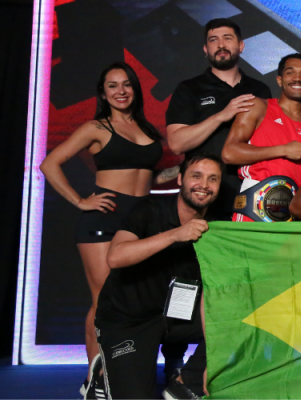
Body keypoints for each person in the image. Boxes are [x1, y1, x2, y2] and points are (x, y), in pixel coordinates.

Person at [40, 62, 172, 395]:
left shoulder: (145, 127)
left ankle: (123, 370)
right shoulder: (96, 127)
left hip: (141, 222)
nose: (121, 91)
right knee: (104, 301)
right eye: (112, 86)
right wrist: (79, 200)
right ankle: (94, 378)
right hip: (104, 221)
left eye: (126, 84)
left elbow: (145, 175)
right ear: (103, 93)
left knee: (136, 299)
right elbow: (49, 163)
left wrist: (177, 175)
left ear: (135, 89)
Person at [94, 153, 222, 399]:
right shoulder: (149, 208)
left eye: (212, 179)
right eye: (196, 176)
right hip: (130, 321)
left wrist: (212, 361)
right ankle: (105, 373)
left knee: (243, 317)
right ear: (180, 179)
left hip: (178, 318)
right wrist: (175, 234)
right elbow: (115, 257)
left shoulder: (216, 226)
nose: (204, 185)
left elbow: (211, 292)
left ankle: (184, 385)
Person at [165, 18, 272, 220]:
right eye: (213, 40)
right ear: (206, 49)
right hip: (204, 194)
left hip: (251, 192)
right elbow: (177, 144)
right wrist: (221, 116)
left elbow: (268, 141)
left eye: (227, 38)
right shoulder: (189, 89)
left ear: (241, 46)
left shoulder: (260, 90)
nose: (221, 45)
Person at [222, 53, 301, 222]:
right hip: (254, 208)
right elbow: (229, 153)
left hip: (291, 214)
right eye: (290, 72)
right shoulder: (258, 106)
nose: (298, 78)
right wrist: (283, 150)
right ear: (279, 80)